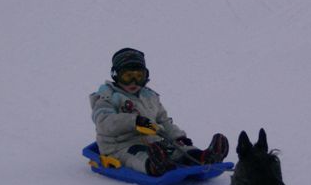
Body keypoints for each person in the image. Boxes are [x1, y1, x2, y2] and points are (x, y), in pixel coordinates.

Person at [89, 48, 229, 177]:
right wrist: (134, 121)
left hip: (153, 143)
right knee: (137, 156)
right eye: (127, 76)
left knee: (176, 149)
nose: (133, 81)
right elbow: (104, 122)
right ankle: (154, 166)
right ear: (116, 75)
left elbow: (163, 121)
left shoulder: (149, 96)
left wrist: (177, 137)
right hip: (120, 146)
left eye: (139, 76)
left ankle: (203, 157)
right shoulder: (107, 97)